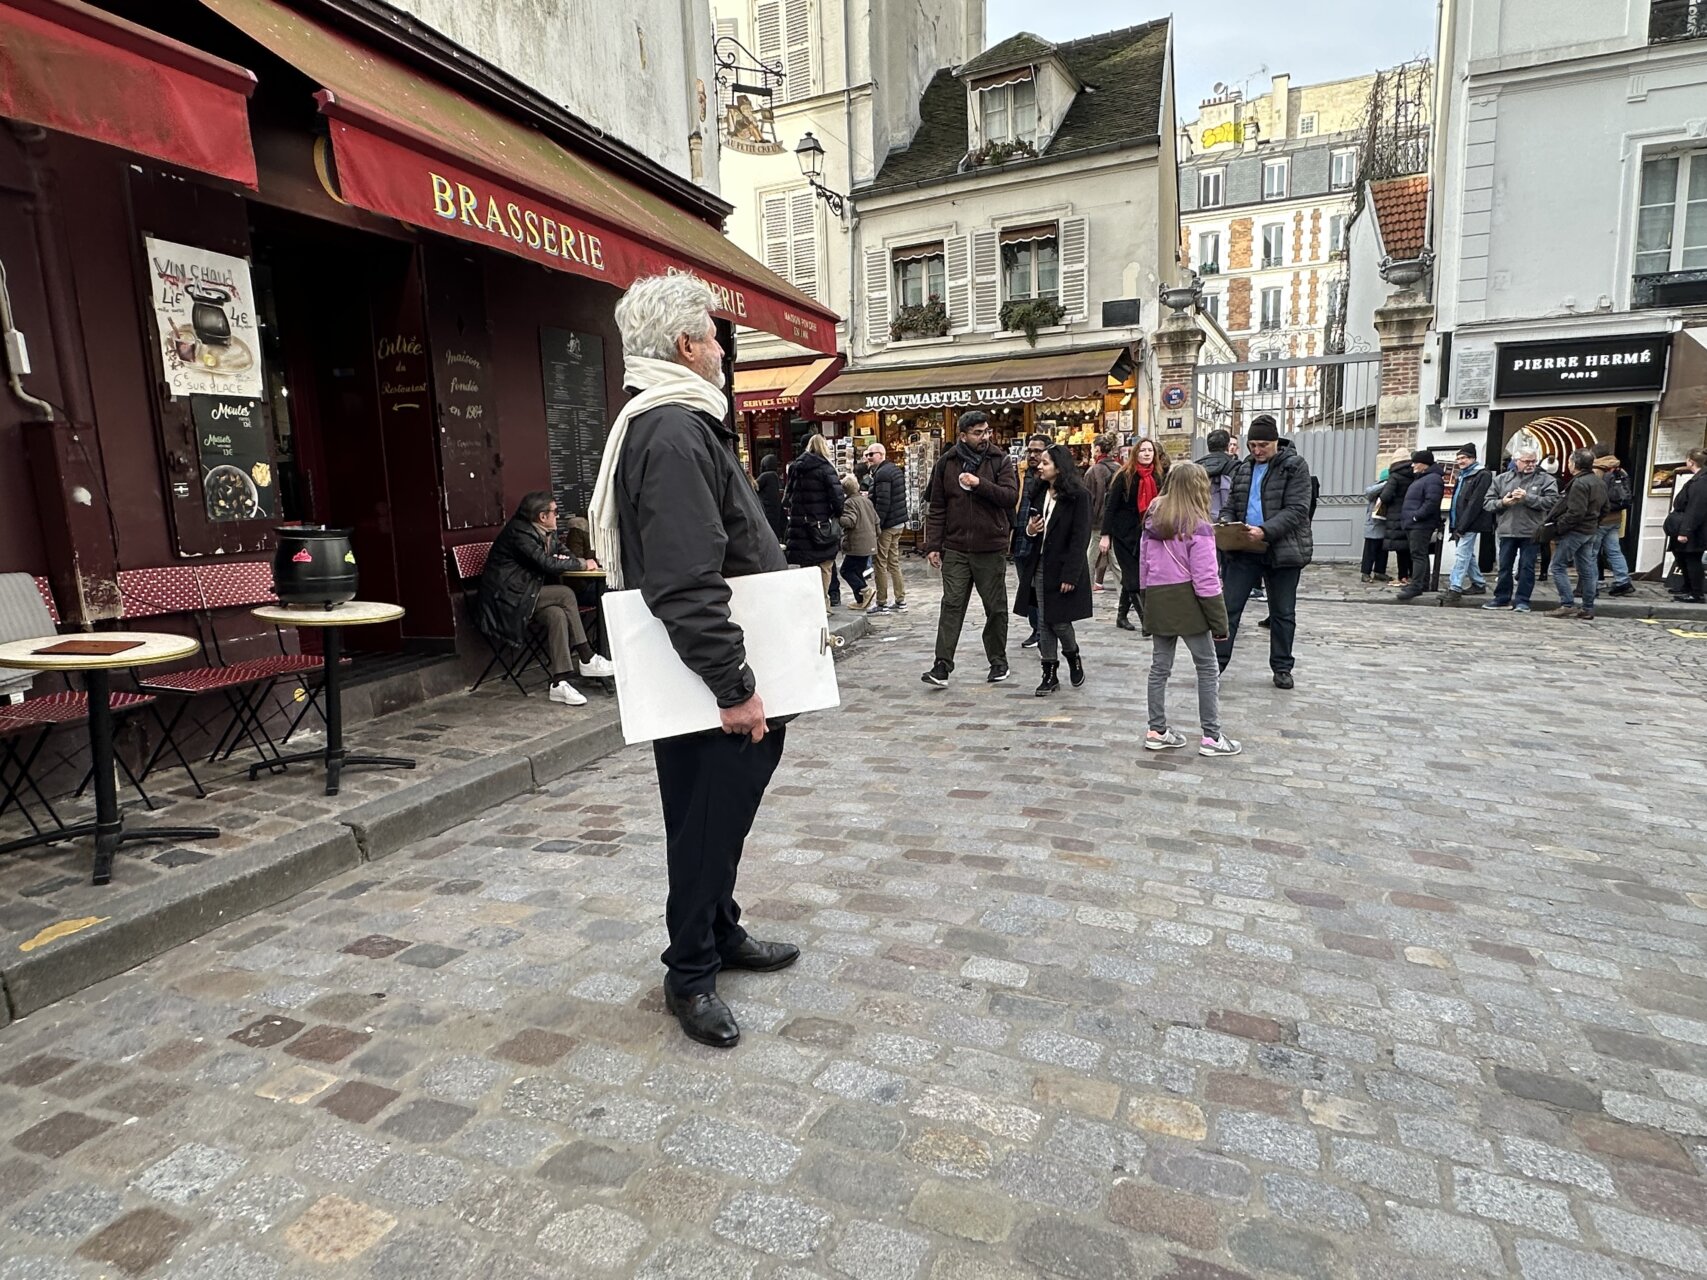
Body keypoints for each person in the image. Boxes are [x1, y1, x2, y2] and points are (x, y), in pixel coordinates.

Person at [587, 273, 798, 1049]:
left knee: (713, 822)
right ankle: (690, 971)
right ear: (685, 346)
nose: (720, 349)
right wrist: (735, 686)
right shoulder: (673, 431)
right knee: (707, 825)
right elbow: (684, 579)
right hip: (710, 686)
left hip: (709, 678)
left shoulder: (676, 424)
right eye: (713, 335)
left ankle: (719, 930)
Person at [476, 493, 615, 706]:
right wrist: (580, 563)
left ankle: (559, 682)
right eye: (555, 512)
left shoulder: (547, 532)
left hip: (526, 595)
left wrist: (570, 561)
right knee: (565, 594)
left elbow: (563, 555)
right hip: (505, 600)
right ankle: (586, 656)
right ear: (542, 516)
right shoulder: (519, 534)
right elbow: (547, 564)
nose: (557, 516)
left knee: (557, 614)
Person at [1141, 463, 1241, 757]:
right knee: (1207, 668)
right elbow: (1206, 579)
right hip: (1190, 602)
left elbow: (1144, 566)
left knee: (1159, 668)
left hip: (1159, 597)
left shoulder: (1153, 518)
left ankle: (1156, 730)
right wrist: (1219, 621)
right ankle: (1211, 736)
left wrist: (1147, 602)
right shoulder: (1199, 526)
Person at [921, 411, 1019, 686]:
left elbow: (1010, 497)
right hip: (956, 548)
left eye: (986, 431)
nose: (984, 437)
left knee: (995, 608)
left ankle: (998, 662)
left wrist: (979, 485)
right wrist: (933, 545)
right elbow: (937, 507)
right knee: (951, 605)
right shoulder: (947, 463)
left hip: (991, 547)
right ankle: (941, 666)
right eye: (978, 432)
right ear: (962, 435)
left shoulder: (1000, 460)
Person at [1215, 415, 1313, 689]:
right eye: (1253, 445)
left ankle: (1282, 667)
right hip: (1246, 548)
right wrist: (1226, 523)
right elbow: (1232, 502)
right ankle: (1215, 665)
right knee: (1228, 608)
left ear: (1276, 443)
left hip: (1283, 550)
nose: (1257, 451)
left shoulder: (1295, 466)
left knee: (1282, 612)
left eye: (1263, 445)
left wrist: (1265, 530)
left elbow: (1296, 510)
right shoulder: (1243, 468)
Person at [1013, 443, 1092, 695]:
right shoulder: (1038, 491)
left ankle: (1072, 654)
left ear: (1059, 467)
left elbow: (1081, 537)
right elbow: (1031, 527)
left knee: (1058, 621)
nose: (1040, 466)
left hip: (1063, 566)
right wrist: (1029, 531)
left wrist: (1071, 574)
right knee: (1045, 621)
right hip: (1039, 564)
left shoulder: (1078, 496)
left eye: (1045, 462)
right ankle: (1049, 674)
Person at [1102, 436, 1169, 632]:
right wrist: (1106, 535)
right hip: (1123, 534)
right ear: (1135, 454)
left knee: (1136, 576)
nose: (1147, 454)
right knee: (1132, 577)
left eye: (1150, 450)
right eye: (1143, 450)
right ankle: (1146, 622)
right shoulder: (1124, 475)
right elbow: (1110, 507)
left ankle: (1121, 617)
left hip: (1146, 532)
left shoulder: (1158, 476)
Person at [1481, 442, 1557, 613]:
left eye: (1533, 461)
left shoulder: (1546, 480)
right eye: (1527, 461)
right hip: (1507, 529)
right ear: (1517, 461)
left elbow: (1552, 502)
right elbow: (1487, 503)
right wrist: (1504, 502)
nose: (1531, 465)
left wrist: (1527, 498)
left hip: (1532, 530)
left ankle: (1523, 600)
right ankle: (1501, 598)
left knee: (1527, 567)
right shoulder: (1502, 479)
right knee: (1504, 567)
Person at [1543, 447, 1609, 621]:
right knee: (1586, 569)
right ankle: (1587, 607)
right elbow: (1605, 508)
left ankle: (1567, 604)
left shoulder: (1579, 483)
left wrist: (1559, 528)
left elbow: (1576, 513)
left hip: (1576, 531)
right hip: (1590, 530)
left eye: (1570, 461)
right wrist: (1594, 523)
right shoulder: (1598, 481)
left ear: (1574, 464)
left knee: (1557, 566)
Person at [783, 434, 845, 611]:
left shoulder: (795, 467)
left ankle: (810, 605)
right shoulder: (826, 469)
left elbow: (787, 498)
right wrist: (836, 514)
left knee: (807, 567)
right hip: (821, 525)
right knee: (825, 565)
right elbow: (837, 498)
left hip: (800, 527)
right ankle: (823, 604)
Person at [1444, 443, 1494, 602]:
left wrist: (1462, 526)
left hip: (1471, 522)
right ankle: (1478, 583)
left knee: (1461, 554)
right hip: (1460, 520)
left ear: (1473, 458)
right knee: (1468, 554)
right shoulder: (1463, 475)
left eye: (1464, 457)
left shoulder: (1482, 475)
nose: (1460, 461)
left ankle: (1455, 587)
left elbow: (1475, 502)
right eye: (1458, 458)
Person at [1016, 433, 1053, 648]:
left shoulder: (1051, 478)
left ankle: (1045, 631)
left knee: (1041, 586)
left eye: (1037, 451)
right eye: (1030, 450)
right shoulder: (1020, 474)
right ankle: (1036, 629)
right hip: (1021, 537)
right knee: (1026, 587)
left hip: (1043, 540)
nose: (1032, 455)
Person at [863, 442, 909, 614]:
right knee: (893, 562)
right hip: (898, 522)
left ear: (881, 455)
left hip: (888, 524)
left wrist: (877, 526)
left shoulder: (882, 474)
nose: (868, 458)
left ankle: (881, 602)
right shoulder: (893, 470)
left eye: (871, 454)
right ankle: (900, 599)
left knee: (880, 563)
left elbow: (883, 502)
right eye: (867, 454)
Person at [1396, 449, 1445, 601]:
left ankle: (1416, 585)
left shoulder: (1432, 479)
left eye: (1416, 463)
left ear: (1424, 464)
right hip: (1415, 523)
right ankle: (1423, 583)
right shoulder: (1423, 478)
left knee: (1418, 555)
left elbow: (1431, 502)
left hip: (1421, 524)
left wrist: (1417, 517)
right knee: (1420, 554)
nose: (1413, 466)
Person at [1590, 440, 1636, 597]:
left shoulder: (1597, 470)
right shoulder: (1619, 469)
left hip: (1600, 519)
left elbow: (1593, 496)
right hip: (1616, 518)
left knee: (1592, 553)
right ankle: (1623, 581)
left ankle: (1592, 585)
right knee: (1615, 551)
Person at [1666, 448, 1707, 602]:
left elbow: (1695, 509)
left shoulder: (1701, 482)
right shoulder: (1698, 478)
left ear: (1691, 461)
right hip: (1685, 524)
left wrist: (1685, 531)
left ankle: (1696, 593)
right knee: (1681, 556)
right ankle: (1687, 587)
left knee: (1692, 559)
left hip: (1693, 529)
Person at [837, 473, 878, 608]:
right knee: (857, 571)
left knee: (846, 571)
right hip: (869, 543)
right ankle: (861, 601)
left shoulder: (849, 502)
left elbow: (850, 521)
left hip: (857, 544)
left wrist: (837, 517)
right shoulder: (867, 501)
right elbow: (876, 521)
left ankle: (865, 590)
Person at [1084, 435, 1120, 590]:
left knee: (1088, 561)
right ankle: (1126, 597)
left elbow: (1088, 500)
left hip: (1098, 522)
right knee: (1117, 563)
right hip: (1117, 523)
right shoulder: (1119, 468)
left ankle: (1083, 593)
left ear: (1097, 449)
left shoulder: (1093, 471)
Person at [1376, 454, 1416, 585]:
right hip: (1412, 513)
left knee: (1401, 549)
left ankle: (1402, 576)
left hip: (1397, 515)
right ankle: (1413, 575)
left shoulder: (1395, 476)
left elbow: (1386, 496)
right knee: (1411, 547)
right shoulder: (1415, 474)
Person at [1360, 461, 1395, 583]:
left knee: (1383, 551)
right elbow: (1368, 492)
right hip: (1374, 524)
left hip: (1385, 524)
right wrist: (1386, 484)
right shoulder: (1376, 489)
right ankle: (1365, 573)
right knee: (1370, 551)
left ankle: (1380, 572)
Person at [1194, 429, 1237, 523]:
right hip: (1226, 520)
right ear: (1227, 445)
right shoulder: (1234, 466)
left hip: (1199, 518)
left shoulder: (1195, 468)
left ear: (1208, 446)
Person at [755, 454, 786, 542]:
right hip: (774, 511)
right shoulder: (775, 476)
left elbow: (754, 487)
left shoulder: (765, 476)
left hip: (766, 510)